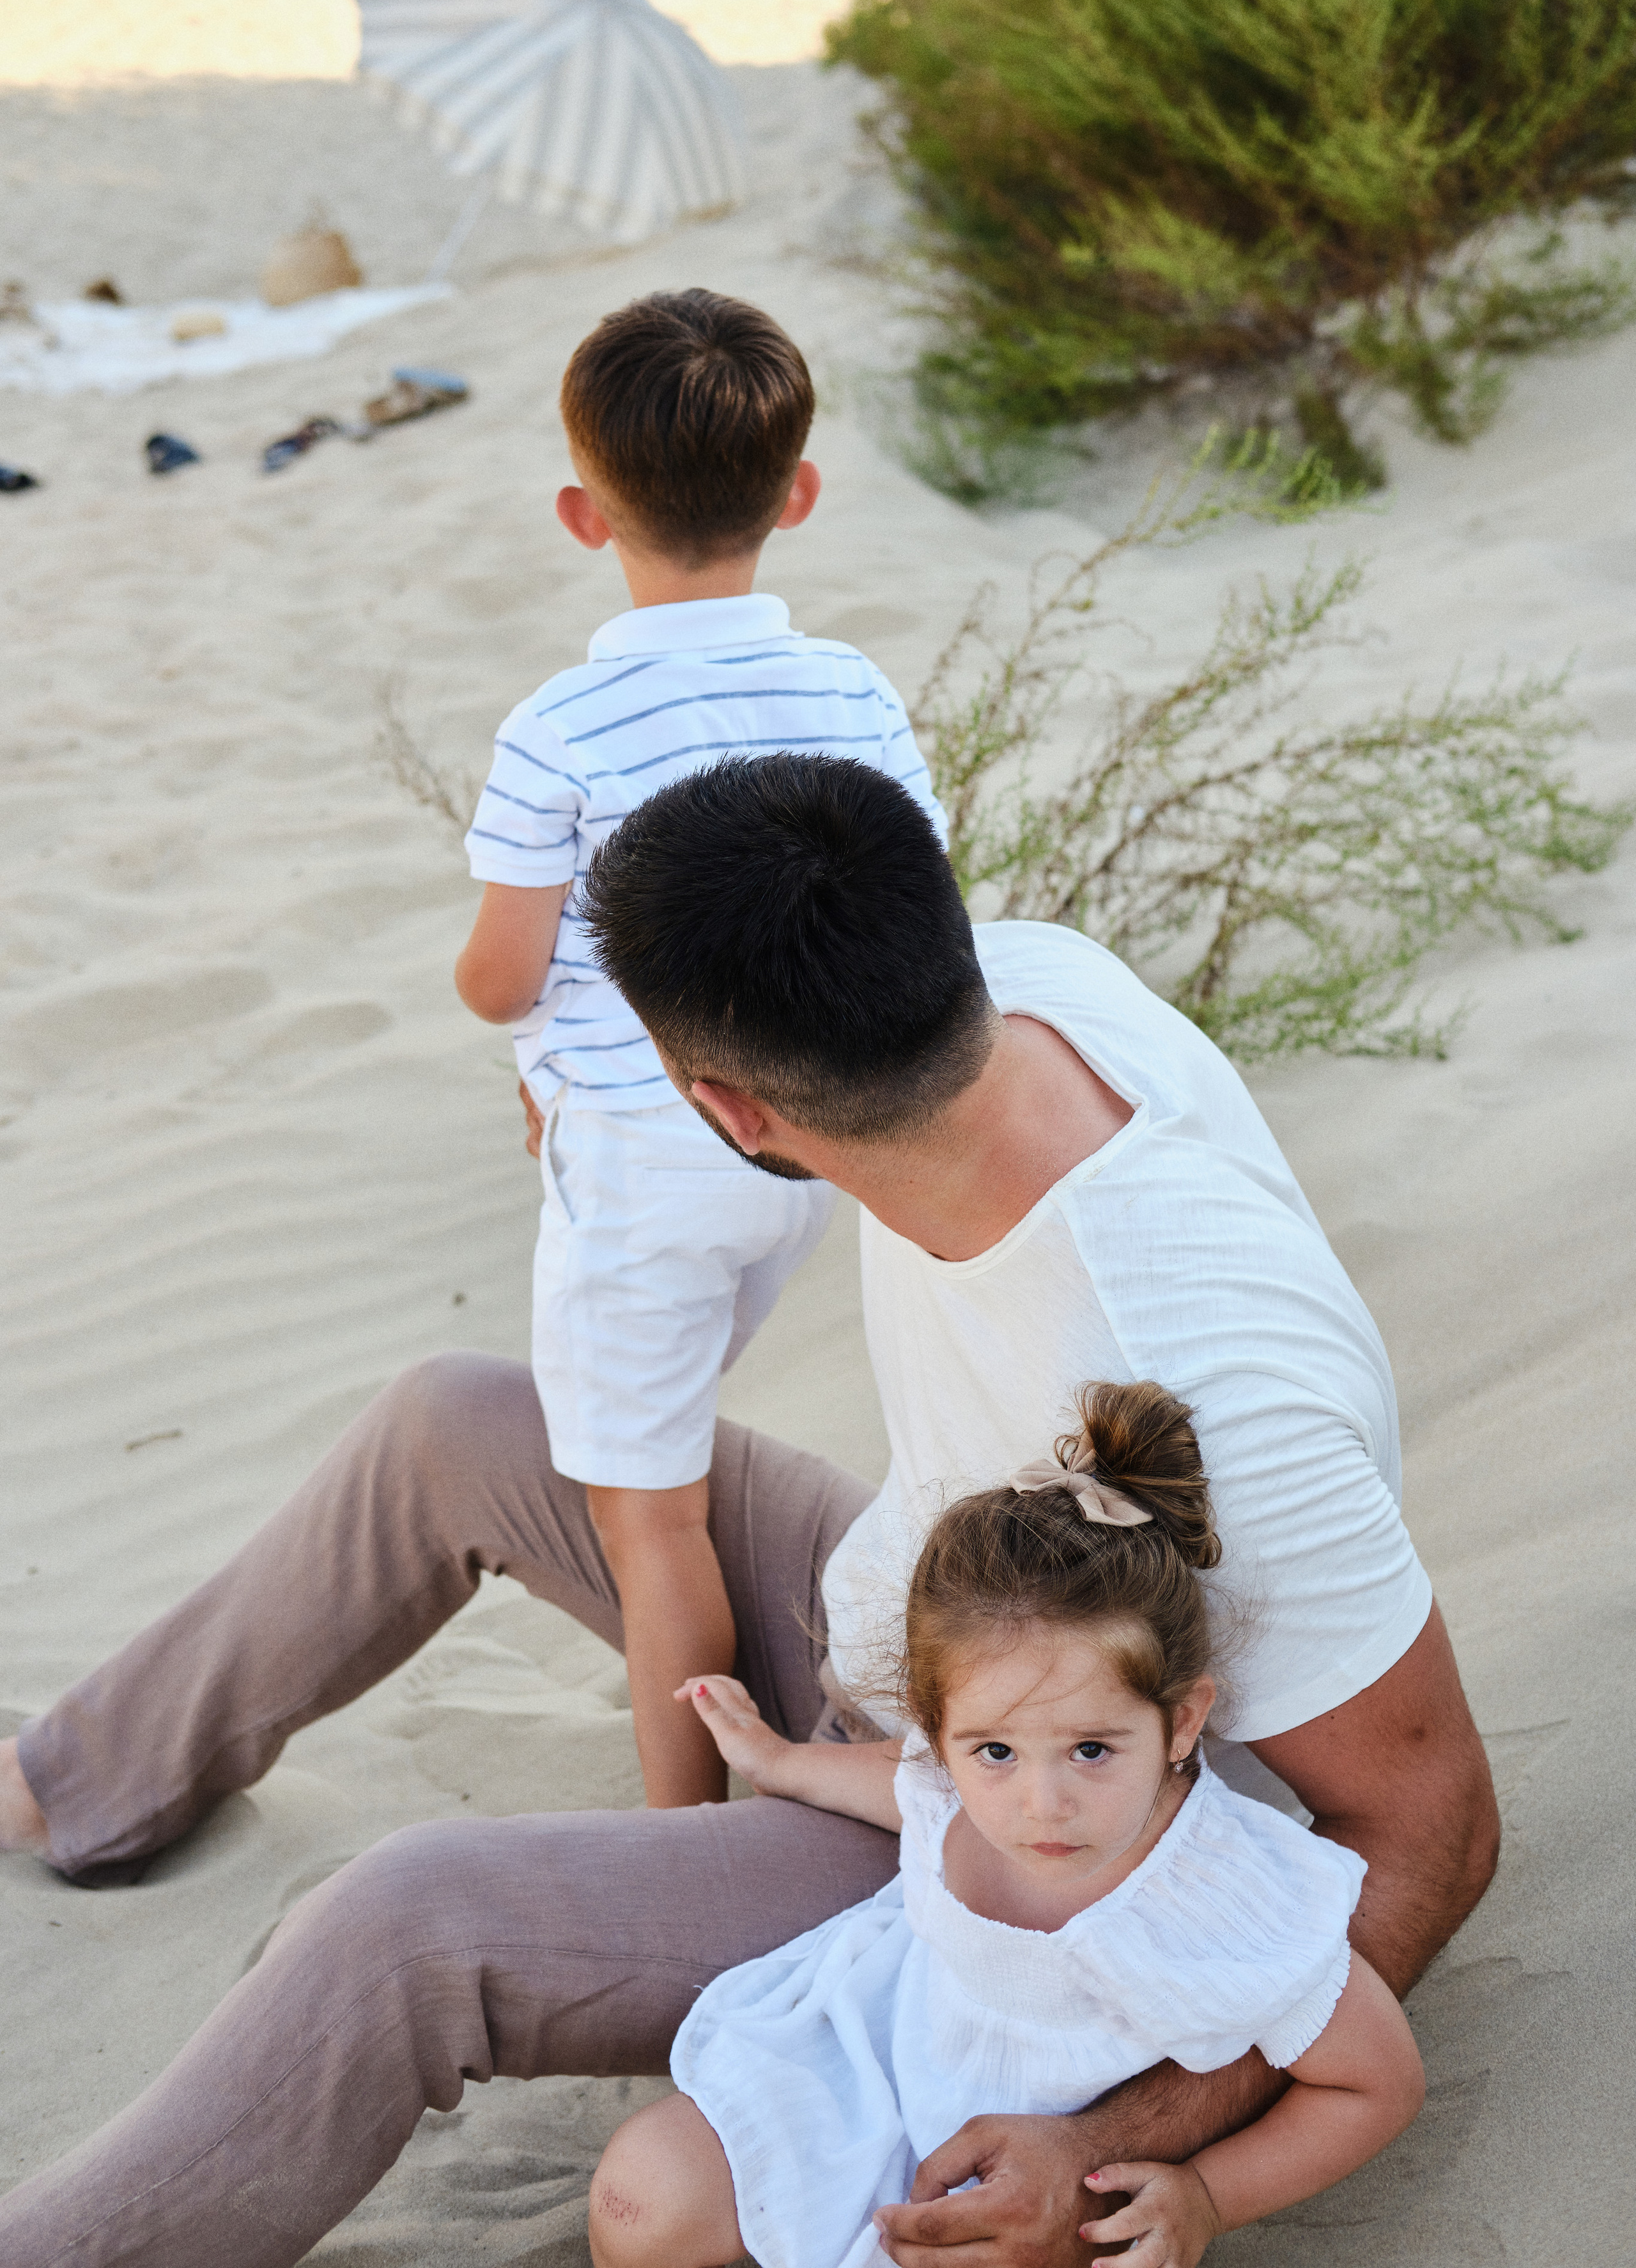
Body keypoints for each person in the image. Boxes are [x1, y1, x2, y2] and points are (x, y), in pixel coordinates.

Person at [0, 756, 1497, 2268]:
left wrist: (1107, 2145)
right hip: (932, 1619)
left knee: (401, 1924)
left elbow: (1430, 1829)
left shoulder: (1208, 1386)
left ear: (727, 1105)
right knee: (453, 1421)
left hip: (1017, 1830)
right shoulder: (1023, 988)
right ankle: (72, 1784)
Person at [452, 287, 943, 1804]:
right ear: (794, 495)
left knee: (643, 1517)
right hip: (807, 1151)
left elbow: (496, 977)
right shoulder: (851, 689)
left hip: (644, 1167)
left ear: (579, 513)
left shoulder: (560, 727)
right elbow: (910, 906)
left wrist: (522, 1024)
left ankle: (682, 1835)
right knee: (662, 1437)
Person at [592, 1382, 1424, 2268]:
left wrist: (1210, 2196)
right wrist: (780, 1762)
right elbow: (909, 1789)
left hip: (1019, 2187)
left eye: (1093, 1750)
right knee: (638, 2200)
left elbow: (1377, 2081)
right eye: (993, 1752)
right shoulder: (953, 1778)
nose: (1042, 1803)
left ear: (1181, 1722)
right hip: (874, 2066)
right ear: (938, 1727)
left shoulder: (1218, 1891)